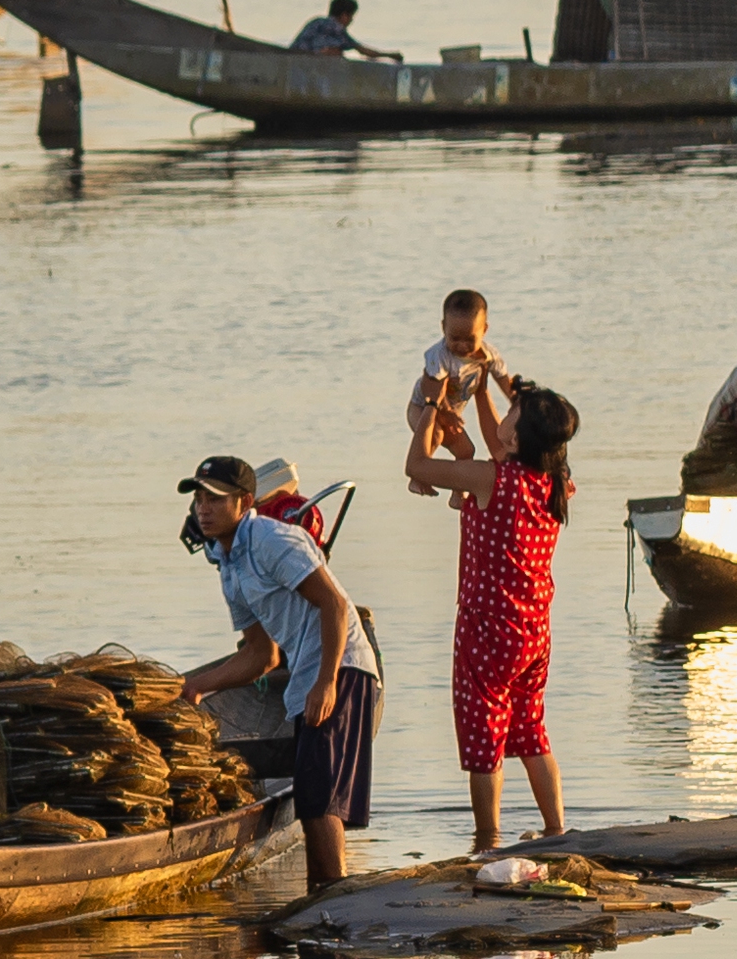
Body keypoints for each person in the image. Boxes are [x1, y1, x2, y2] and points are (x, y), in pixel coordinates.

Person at [175, 454, 381, 890]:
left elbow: (334, 604)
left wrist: (326, 682)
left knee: (317, 799)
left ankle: (328, 894)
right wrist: (197, 687)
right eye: (198, 500)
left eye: (214, 499)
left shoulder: (270, 539)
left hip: (340, 665)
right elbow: (261, 656)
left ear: (245, 501)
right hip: (305, 676)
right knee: (312, 795)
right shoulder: (228, 563)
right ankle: (326, 890)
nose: (203, 510)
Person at [408, 381, 577, 852]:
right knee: (530, 730)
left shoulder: (493, 479)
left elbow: (416, 465)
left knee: (484, 742)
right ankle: (556, 830)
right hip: (534, 630)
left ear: (517, 440)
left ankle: (487, 840)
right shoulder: (554, 481)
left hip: (487, 628)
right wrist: (481, 390)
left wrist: (427, 410)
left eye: (511, 411)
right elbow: (493, 440)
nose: (502, 414)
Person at [406, 286, 513, 466]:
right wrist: (446, 411)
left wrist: (517, 401)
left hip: (450, 413)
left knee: (466, 451)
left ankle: (459, 494)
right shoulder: (439, 355)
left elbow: (503, 379)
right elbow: (433, 389)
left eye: (470, 339)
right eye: (455, 338)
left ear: (484, 330)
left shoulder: (487, 355)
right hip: (422, 407)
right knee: (436, 435)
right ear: (443, 328)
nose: (462, 346)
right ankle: (419, 475)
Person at [289, 0, 399, 62]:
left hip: (293, 58)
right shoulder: (337, 29)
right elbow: (362, 50)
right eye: (351, 16)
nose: (351, 20)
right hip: (305, 64)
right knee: (337, 53)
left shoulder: (316, 21)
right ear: (344, 15)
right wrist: (390, 55)